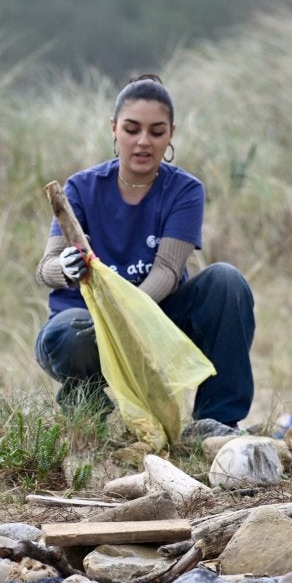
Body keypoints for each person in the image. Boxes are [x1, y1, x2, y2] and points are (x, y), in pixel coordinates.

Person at [33, 74, 254, 428]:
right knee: (70, 332)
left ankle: (217, 422)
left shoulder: (185, 191)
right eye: (132, 129)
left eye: (156, 131)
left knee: (227, 281)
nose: (143, 142)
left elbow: (167, 270)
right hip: (88, 328)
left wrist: (128, 316)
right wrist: (65, 267)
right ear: (114, 129)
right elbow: (45, 269)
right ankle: (88, 413)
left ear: (171, 134)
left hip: (156, 326)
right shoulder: (81, 188)